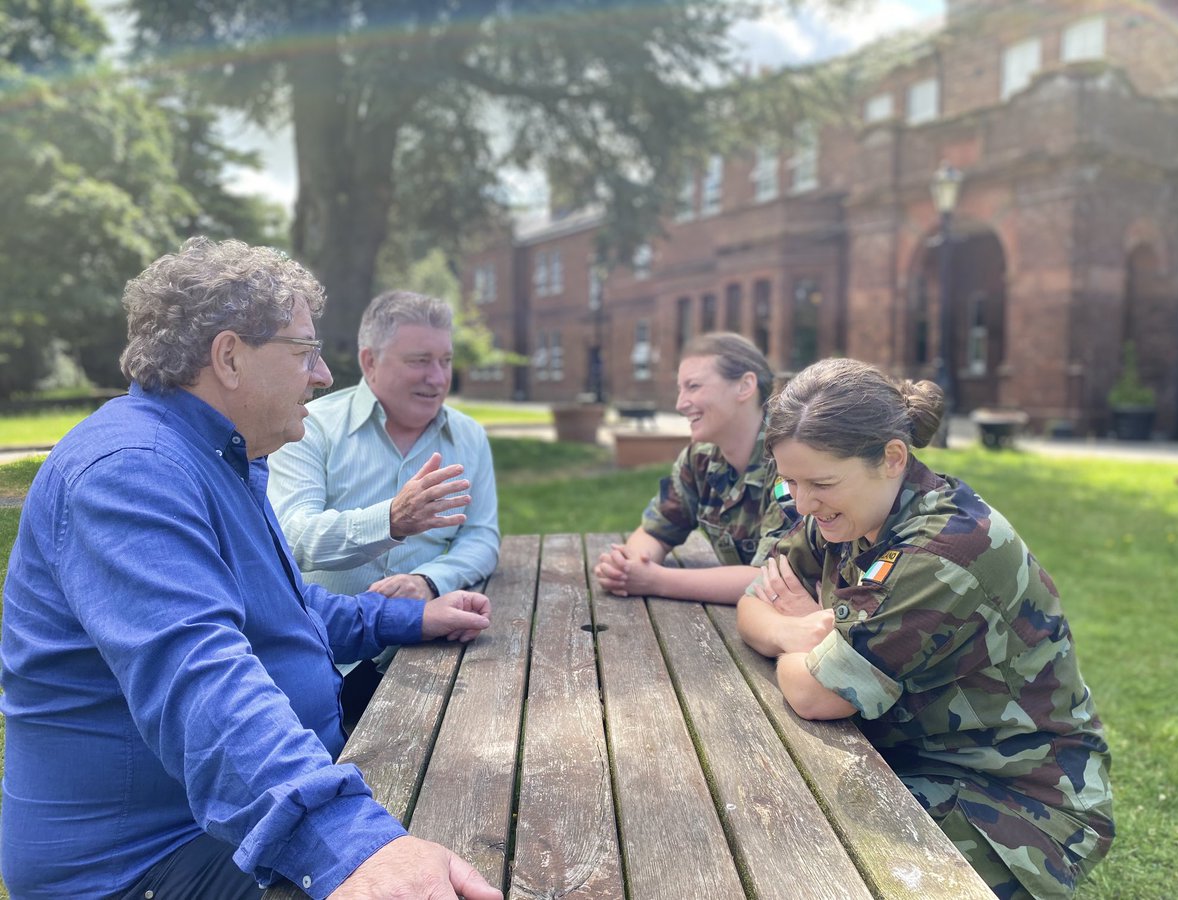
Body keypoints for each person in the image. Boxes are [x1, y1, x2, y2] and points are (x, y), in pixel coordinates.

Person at [0, 237, 501, 900]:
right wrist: (348, 844)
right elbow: (198, 678)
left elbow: (286, 611)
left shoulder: (216, 456)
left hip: (220, 817)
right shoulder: (132, 471)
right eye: (304, 351)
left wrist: (410, 616)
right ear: (229, 357)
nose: (321, 375)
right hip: (142, 863)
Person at [736, 358, 1114, 899]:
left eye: (820, 482)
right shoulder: (849, 512)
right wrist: (797, 634)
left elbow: (816, 695)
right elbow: (754, 601)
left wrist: (808, 641)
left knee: (807, 856)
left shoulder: (943, 551)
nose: (801, 503)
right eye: (790, 482)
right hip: (918, 758)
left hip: (1020, 805)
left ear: (892, 457)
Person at [268, 290, 500, 720]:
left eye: (445, 361)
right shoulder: (309, 428)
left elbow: (482, 535)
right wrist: (391, 520)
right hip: (327, 663)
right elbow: (291, 536)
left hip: (432, 654)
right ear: (370, 361)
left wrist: (429, 581)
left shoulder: (469, 437)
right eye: (419, 361)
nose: (437, 377)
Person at [592, 332, 795, 604]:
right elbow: (657, 528)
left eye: (694, 386)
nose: (680, 404)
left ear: (745, 386)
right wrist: (629, 565)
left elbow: (769, 580)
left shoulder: (791, 459)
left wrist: (654, 580)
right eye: (680, 388)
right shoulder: (700, 458)